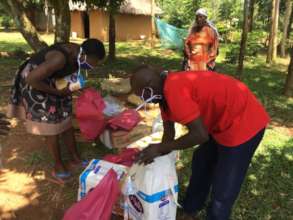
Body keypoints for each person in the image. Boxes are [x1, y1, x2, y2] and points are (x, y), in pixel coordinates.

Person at [131, 65, 270, 220]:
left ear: (149, 88)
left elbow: (200, 135)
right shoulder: (163, 92)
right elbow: (169, 133)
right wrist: (156, 152)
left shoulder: (174, 92)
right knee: (202, 161)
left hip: (243, 121)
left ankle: (217, 215)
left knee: (224, 184)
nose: (144, 100)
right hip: (220, 122)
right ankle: (191, 208)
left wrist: (161, 147)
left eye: (142, 95)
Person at [7, 39, 106, 183]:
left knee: (65, 119)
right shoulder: (59, 58)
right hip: (35, 83)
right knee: (50, 126)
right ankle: (58, 165)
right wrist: (57, 92)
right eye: (94, 61)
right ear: (84, 54)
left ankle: (75, 158)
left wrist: (74, 88)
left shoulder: (77, 55)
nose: (94, 65)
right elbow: (31, 79)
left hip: (52, 82)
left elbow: (66, 77)